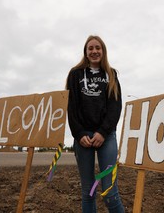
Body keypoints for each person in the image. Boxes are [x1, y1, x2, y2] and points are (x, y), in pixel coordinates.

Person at [66, 35, 125, 213]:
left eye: (97, 48)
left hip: (106, 137)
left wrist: (103, 131)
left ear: (103, 51)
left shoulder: (111, 74)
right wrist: (79, 133)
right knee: (88, 192)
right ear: (85, 52)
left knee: (109, 191)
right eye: (90, 48)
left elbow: (115, 106)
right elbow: (71, 106)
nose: (94, 51)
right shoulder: (75, 74)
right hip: (83, 138)